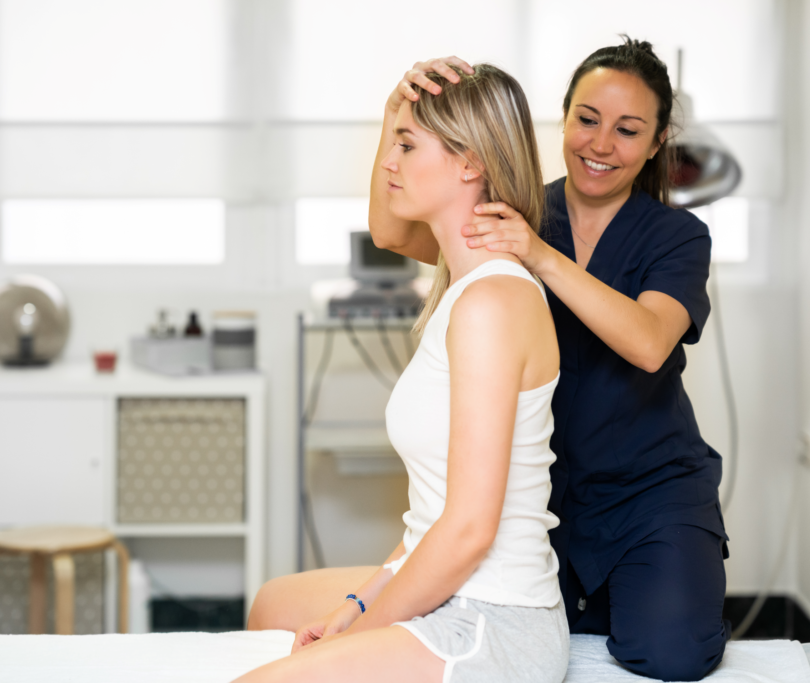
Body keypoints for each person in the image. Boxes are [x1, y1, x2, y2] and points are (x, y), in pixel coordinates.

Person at [368, 40, 730, 682]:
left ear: (656, 142)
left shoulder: (676, 236)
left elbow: (649, 343)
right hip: (548, 498)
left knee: (668, 653)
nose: (600, 143)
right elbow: (394, 233)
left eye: (628, 130)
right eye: (586, 119)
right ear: (563, 118)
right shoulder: (518, 211)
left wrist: (539, 254)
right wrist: (401, 110)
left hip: (651, 491)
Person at [240, 64, 569, 683]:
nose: (389, 160)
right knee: (272, 606)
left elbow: (470, 530)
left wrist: (355, 635)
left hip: (492, 620)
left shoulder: (492, 305)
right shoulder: (461, 286)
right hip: (448, 579)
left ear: (469, 162)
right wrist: (354, 608)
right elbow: (432, 518)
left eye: (407, 145)